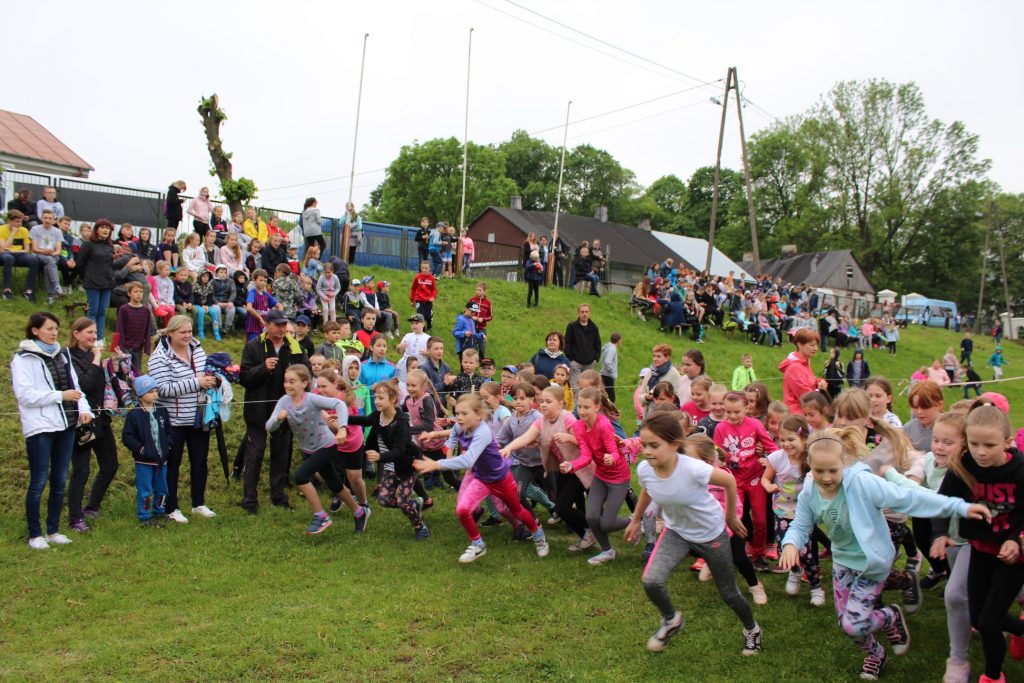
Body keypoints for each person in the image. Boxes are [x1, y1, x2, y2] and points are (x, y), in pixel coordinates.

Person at [780, 427, 986, 680]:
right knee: (847, 625)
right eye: (819, 471)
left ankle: (889, 617)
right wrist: (790, 544)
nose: (826, 478)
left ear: (844, 462)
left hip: (871, 564)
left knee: (853, 625)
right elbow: (801, 525)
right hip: (843, 563)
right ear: (809, 464)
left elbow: (908, 498)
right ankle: (876, 653)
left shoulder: (863, 483)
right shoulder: (810, 490)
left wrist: (958, 507)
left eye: (833, 470)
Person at [625, 413, 763, 655]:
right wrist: (636, 520)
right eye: (644, 445)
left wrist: (731, 516)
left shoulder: (692, 468)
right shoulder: (646, 469)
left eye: (654, 445)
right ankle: (671, 620)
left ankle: (752, 629)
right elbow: (648, 489)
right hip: (676, 532)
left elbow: (729, 482)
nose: (647, 451)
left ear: (674, 445)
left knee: (729, 593)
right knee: (651, 581)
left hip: (711, 535)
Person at [932, 406, 1024, 683]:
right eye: (974, 444)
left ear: (1008, 442)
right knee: (977, 619)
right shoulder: (962, 468)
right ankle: (1021, 631)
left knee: (989, 622)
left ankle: (992, 676)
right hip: (980, 551)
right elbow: (942, 503)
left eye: (990, 445)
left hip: (1015, 557)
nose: (981, 452)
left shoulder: (1020, 471)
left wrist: (1016, 540)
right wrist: (940, 533)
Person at [413, 393, 549, 563]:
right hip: (481, 478)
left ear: (478, 415)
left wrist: (437, 464)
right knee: (462, 509)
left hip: (501, 479)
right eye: (457, 413)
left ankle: (537, 533)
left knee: (517, 511)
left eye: (464, 413)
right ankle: (478, 544)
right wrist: (442, 441)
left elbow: (468, 460)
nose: (459, 417)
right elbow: (453, 434)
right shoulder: (460, 426)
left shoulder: (482, 432)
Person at [14, 312, 94, 549]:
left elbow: (75, 388)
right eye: (49, 328)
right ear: (35, 330)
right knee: (39, 481)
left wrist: (84, 409)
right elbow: (25, 395)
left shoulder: (62, 355)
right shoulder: (23, 358)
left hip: (66, 425)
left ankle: (53, 530)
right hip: (40, 427)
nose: (54, 332)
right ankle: (35, 534)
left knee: (59, 480)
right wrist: (60, 396)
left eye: (56, 328)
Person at [266, 364, 366, 535]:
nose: (287, 385)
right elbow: (269, 427)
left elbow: (339, 404)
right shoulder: (284, 402)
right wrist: (278, 419)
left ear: (305, 383)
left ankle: (320, 516)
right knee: (335, 485)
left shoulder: (312, 399)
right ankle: (359, 512)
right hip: (309, 450)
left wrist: (342, 428)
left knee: (300, 476)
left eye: (292, 381)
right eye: (285, 381)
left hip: (327, 446)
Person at [147, 315, 216, 524]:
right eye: (182, 332)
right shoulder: (159, 357)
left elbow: (206, 373)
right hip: (172, 420)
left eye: (190, 331)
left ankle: (198, 503)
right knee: (173, 463)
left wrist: (215, 379)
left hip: (199, 416)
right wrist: (197, 383)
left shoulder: (198, 349)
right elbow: (162, 389)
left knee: (200, 461)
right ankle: (171, 507)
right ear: (170, 333)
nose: (187, 336)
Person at [239, 309, 310, 514]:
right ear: (267, 324)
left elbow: (306, 374)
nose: (282, 328)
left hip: (285, 411)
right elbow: (243, 378)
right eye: (277, 324)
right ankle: (249, 501)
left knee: (281, 455)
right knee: (254, 456)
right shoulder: (253, 346)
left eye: (284, 324)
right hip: (257, 410)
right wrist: (263, 367)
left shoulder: (295, 347)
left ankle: (278, 497)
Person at [559, 386, 631, 565]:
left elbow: (615, 452)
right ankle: (607, 551)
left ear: (597, 407)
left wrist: (611, 458)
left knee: (607, 523)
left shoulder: (604, 424)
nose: (581, 411)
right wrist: (571, 465)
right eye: (579, 406)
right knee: (591, 517)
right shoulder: (578, 426)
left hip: (619, 478)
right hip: (600, 476)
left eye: (586, 407)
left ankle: (634, 520)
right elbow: (586, 456)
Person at [760, 415, 823, 605]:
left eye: (791, 439)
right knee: (783, 548)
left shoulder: (811, 459)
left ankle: (816, 587)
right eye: (782, 439)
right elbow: (765, 478)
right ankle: (795, 571)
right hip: (781, 511)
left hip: (804, 513)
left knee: (805, 552)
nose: (786, 444)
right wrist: (768, 486)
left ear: (803, 438)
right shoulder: (777, 458)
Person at [714, 391, 778, 571]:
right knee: (734, 518)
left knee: (760, 520)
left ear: (746, 408)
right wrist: (721, 464)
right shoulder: (720, 428)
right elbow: (716, 454)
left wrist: (770, 461)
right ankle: (737, 553)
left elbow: (772, 447)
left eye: (737, 412)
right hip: (733, 480)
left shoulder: (755, 424)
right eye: (728, 412)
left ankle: (758, 555)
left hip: (755, 477)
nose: (732, 416)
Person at [121, 375, 172, 527]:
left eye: (156, 391)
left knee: (162, 488)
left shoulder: (162, 410)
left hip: (162, 459)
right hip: (144, 461)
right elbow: (128, 437)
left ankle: (160, 511)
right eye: (150, 392)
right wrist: (141, 449)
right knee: (145, 490)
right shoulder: (134, 414)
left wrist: (168, 446)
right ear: (140, 394)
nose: (155, 394)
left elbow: (169, 431)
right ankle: (145, 516)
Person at [75, 218, 117, 339]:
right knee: (93, 310)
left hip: (107, 282)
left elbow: (110, 264)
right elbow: (80, 264)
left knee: (102, 311)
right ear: (96, 230)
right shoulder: (88, 244)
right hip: (92, 282)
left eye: (107, 228)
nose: (105, 230)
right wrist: (86, 277)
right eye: (102, 227)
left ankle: (100, 338)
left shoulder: (110, 245)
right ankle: (90, 337)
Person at [780, 328, 828, 414]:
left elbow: (810, 382)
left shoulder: (804, 362)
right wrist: (820, 390)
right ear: (800, 344)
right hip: (797, 415)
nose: (816, 348)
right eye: (812, 345)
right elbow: (805, 396)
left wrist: (819, 382)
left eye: (817, 345)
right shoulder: (794, 367)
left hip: (807, 413)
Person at [0, 209, 40, 301]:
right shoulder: (1, 229)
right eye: (17, 222)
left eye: (21, 221)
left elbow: (27, 250)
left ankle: (29, 290)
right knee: (8, 258)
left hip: (18, 254)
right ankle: (7, 290)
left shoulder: (24, 230)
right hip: (5, 255)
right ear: (9, 221)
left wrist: (11, 250)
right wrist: (13, 233)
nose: (20, 224)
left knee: (33, 259)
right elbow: (4, 247)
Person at [114, 281, 153, 373]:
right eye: (135, 291)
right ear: (129, 293)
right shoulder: (124, 309)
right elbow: (119, 328)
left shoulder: (146, 311)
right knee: (123, 370)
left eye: (140, 292)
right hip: (125, 346)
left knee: (136, 371)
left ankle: (134, 382)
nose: (138, 294)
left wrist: (147, 347)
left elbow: (148, 330)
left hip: (138, 347)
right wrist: (119, 346)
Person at [30, 209, 64, 304]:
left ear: (53, 220)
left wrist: (52, 253)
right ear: (41, 218)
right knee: (49, 261)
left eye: (50, 218)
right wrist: (44, 251)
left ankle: (51, 297)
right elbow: (34, 249)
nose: (47, 220)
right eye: (45, 218)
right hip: (39, 254)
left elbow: (58, 251)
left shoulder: (57, 231)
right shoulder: (35, 229)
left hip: (52, 256)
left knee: (48, 265)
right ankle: (57, 287)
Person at [564, 303, 601, 390]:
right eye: (582, 312)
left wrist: (595, 359)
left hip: (590, 363)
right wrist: (571, 359)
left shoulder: (594, 328)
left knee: (588, 389)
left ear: (589, 313)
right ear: (578, 313)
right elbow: (567, 343)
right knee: (575, 388)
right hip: (575, 363)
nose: (584, 314)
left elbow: (597, 344)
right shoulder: (572, 326)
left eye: (586, 312)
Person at [410, 261, 437, 332]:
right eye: (422, 268)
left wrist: (433, 297)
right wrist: (412, 300)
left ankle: (429, 325)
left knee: (428, 316)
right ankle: (422, 330)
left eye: (426, 268)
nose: (424, 270)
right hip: (419, 299)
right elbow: (413, 289)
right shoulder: (417, 277)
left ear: (429, 269)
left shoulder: (431, 278)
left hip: (428, 300)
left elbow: (434, 289)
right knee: (421, 315)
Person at [598, 332, 621, 403]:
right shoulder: (612, 349)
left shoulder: (609, 347)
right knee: (611, 398)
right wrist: (612, 371)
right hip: (608, 375)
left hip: (605, 374)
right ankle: (608, 409)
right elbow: (607, 362)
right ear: (619, 340)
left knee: (606, 395)